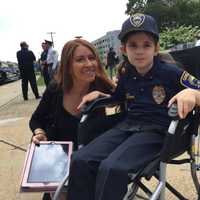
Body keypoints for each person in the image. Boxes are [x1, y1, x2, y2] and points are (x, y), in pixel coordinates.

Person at [67, 13, 200, 200]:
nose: (139, 51)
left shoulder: (171, 72)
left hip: (158, 131)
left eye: (146, 45)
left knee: (112, 167)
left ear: (156, 49)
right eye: (133, 45)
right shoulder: (127, 74)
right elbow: (118, 97)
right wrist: (101, 95)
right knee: (80, 159)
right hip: (127, 126)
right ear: (123, 49)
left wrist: (192, 93)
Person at [29, 38, 115, 200]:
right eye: (80, 60)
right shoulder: (55, 89)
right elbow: (36, 119)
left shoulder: (100, 84)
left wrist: (105, 97)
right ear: (68, 66)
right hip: (60, 160)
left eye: (92, 57)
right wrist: (39, 132)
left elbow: (130, 99)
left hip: (90, 159)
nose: (89, 64)